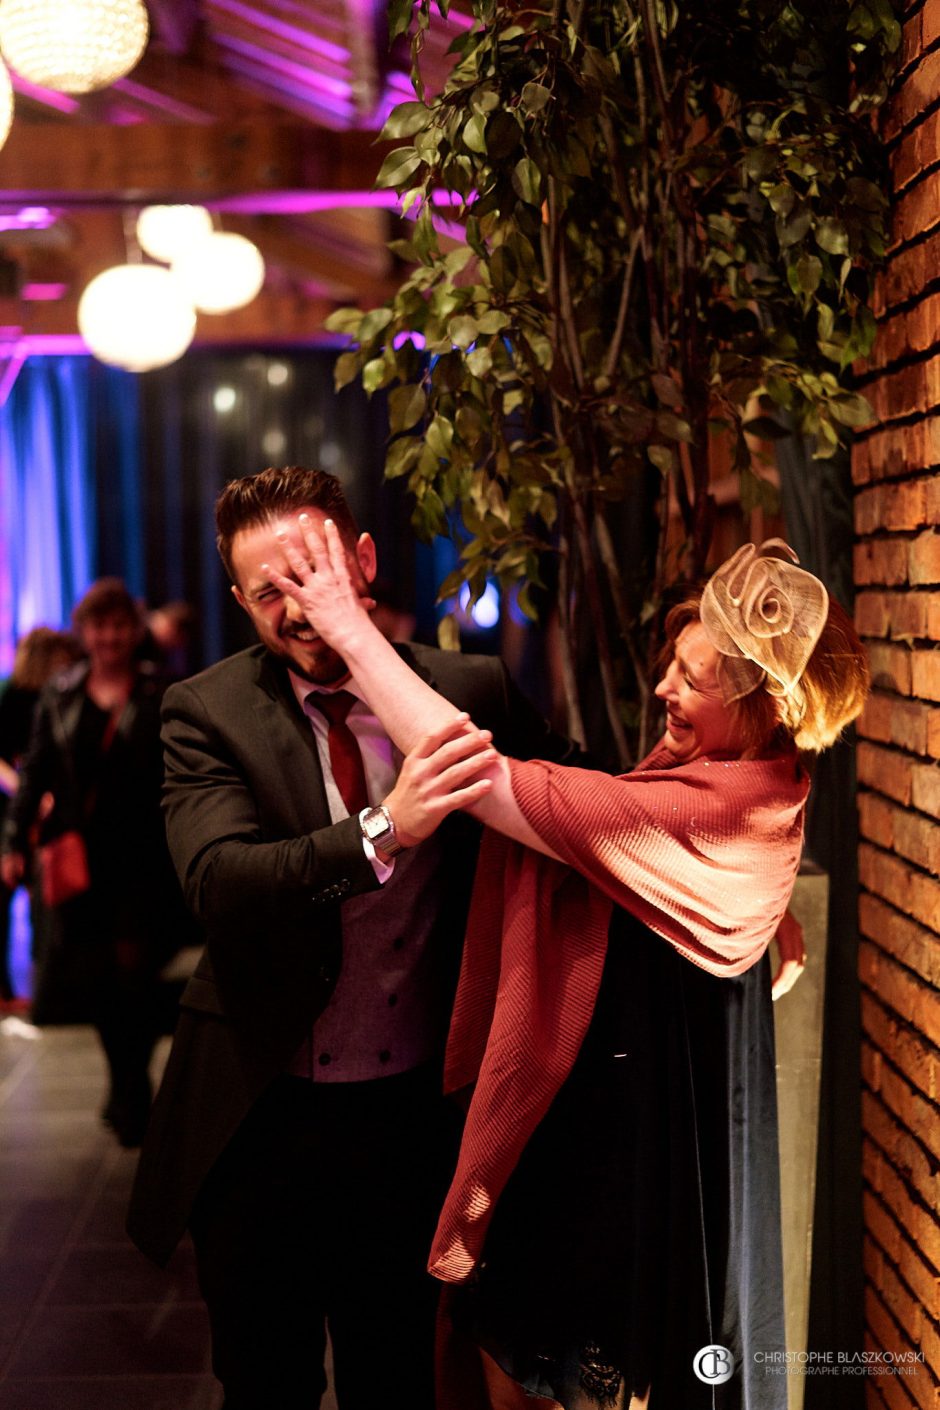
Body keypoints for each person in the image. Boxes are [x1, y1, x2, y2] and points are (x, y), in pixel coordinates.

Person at [261, 520, 870, 1410]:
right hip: (608, 1118)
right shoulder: (754, 788)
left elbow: (482, 779)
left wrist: (349, 630)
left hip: (609, 1150)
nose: (662, 687)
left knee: (531, 1372)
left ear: (764, 708)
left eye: (692, 679)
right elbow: (651, 850)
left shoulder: (721, 814)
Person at [125, 465, 582, 1410]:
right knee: (265, 1381)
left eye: (314, 574)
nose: (297, 609)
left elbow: (579, 816)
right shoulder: (205, 712)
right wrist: (389, 829)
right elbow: (223, 884)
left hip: (412, 1118)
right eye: (269, 592)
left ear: (363, 559)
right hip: (261, 1115)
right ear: (242, 601)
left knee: (399, 1375)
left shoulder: (467, 688)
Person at [0, 581, 183, 1148]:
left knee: (138, 976)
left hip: (146, 859)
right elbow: (35, 774)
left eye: (119, 625)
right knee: (100, 983)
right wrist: (12, 842)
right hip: (83, 859)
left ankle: (133, 1087)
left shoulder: (161, 691)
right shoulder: (61, 692)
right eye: (98, 626)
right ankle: (125, 1083)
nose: (109, 637)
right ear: (84, 632)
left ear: (136, 629)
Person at [0, 627, 82, 1008]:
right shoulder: (13, 698)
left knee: (37, 897)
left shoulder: (56, 698)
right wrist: (27, 792)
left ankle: (41, 985)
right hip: (11, 810)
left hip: (32, 811)